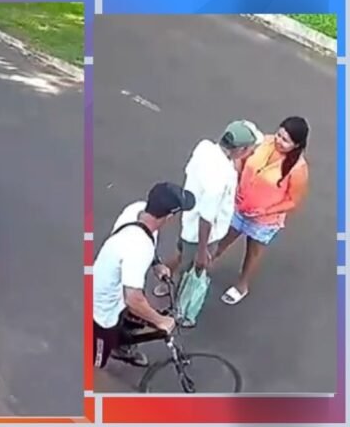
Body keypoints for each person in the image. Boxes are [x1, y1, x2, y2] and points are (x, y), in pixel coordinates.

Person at [153, 120, 262, 299]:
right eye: (251, 149)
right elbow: (206, 217)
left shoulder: (204, 148)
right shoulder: (221, 177)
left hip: (188, 221)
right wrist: (202, 252)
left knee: (181, 253)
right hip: (202, 236)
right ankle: (181, 304)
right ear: (240, 150)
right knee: (191, 272)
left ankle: (166, 278)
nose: (252, 152)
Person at [93, 182, 195, 368]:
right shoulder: (138, 248)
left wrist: (156, 264)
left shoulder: (137, 210)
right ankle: (106, 357)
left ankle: (121, 344)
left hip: (119, 288)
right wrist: (161, 321)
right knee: (100, 352)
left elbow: (146, 240)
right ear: (169, 216)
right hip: (103, 307)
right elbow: (133, 299)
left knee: (127, 321)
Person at [212, 116, 310, 305]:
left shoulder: (298, 169)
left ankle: (242, 285)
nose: (278, 141)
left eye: (285, 140)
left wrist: (265, 210)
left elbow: (293, 201)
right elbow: (242, 158)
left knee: (252, 253)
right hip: (239, 207)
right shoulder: (263, 142)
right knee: (221, 239)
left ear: (296, 145)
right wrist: (237, 182)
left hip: (264, 221)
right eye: (279, 134)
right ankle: (202, 268)